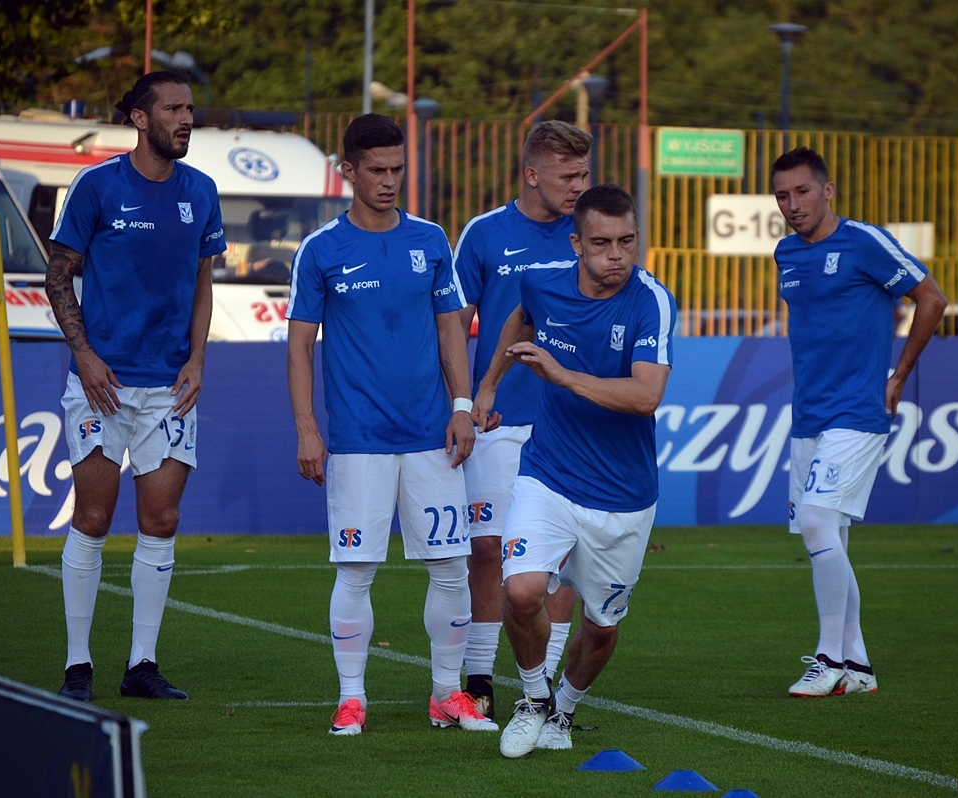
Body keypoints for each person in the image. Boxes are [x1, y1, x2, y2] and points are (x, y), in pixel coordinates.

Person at [285, 113, 495, 736]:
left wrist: (462, 406)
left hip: (433, 436)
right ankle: (351, 698)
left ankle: (447, 695)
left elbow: (451, 328)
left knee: (450, 567)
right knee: (356, 571)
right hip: (358, 441)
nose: (389, 180)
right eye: (376, 169)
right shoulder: (320, 250)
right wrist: (307, 428)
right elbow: (299, 347)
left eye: (398, 169)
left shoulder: (430, 240)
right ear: (347, 170)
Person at [472, 184, 676, 758]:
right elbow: (520, 318)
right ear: (576, 244)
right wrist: (488, 385)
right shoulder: (542, 281)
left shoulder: (651, 301)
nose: (616, 255)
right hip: (549, 474)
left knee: (602, 628)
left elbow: (646, 396)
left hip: (623, 494)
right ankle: (534, 697)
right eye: (602, 243)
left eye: (627, 241)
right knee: (521, 591)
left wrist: (561, 376)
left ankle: (564, 707)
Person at [48, 72, 225, 702]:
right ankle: (77, 666)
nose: (186, 118)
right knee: (93, 516)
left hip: (170, 386)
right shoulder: (97, 186)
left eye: (190, 108)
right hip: (101, 385)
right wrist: (85, 356)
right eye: (173, 109)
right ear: (140, 119)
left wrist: (198, 358)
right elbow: (57, 275)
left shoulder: (201, 191)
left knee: (162, 519)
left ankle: (141, 665)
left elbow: (203, 282)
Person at [771, 147, 947, 698]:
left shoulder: (864, 241)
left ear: (828, 190)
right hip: (809, 416)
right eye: (782, 195)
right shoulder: (785, 253)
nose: (792, 204)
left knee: (817, 521)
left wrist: (899, 374)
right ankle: (859, 666)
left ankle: (827, 659)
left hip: (857, 411)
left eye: (802, 191)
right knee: (831, 536)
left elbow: (932, 298)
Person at [453, 120, 591, 720]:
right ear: (532, 174)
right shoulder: (484, 233)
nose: (579, 186)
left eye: (584, 174)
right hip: (497, 420)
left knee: (556, 561)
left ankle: (548, 686)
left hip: (568, 423)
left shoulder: (590, 234)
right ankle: (479, 677)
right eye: (568, 176)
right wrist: (461, 403)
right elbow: (452, 325)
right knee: (487, 548)